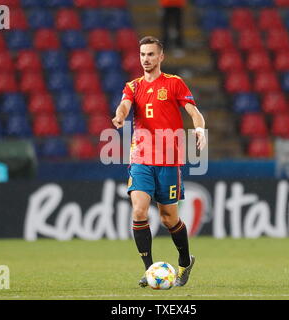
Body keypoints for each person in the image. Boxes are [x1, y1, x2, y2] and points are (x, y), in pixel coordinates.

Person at [112, 36, 206, 287]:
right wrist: (119, 117)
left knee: (168, 218)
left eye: (151, 54)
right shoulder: (133, 86)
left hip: (169, 161)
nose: (146, 59)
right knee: (139, 210)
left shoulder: (174, 83)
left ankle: (185, 261)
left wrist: (199, 130)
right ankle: (149, 269)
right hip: (141, 158)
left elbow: (193, 111)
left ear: (161, 57)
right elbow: (124, 105)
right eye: (143, 54)